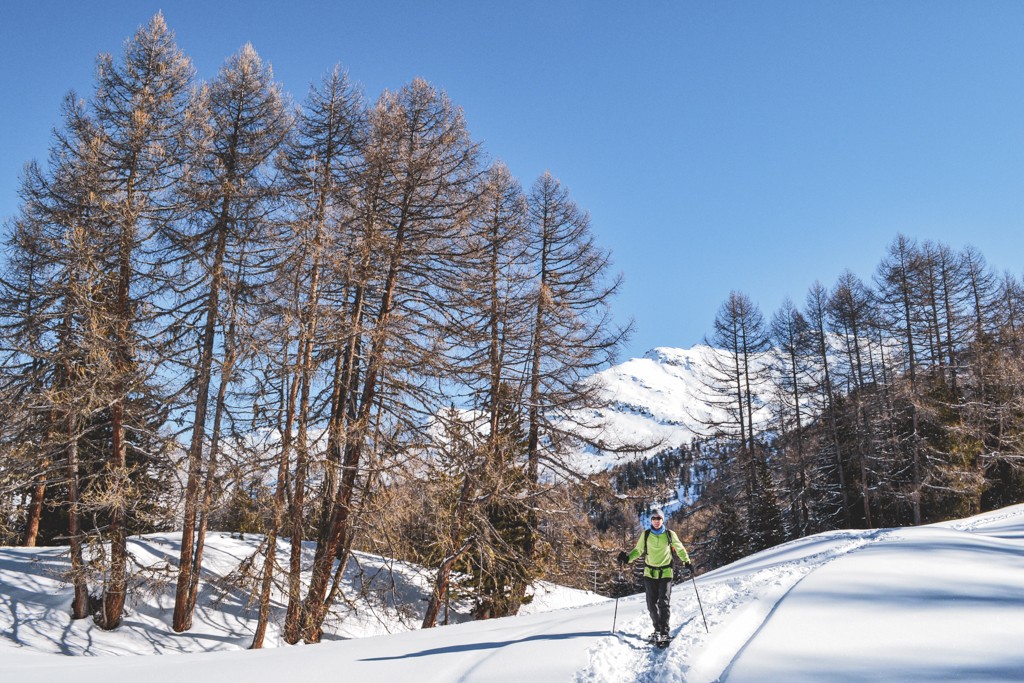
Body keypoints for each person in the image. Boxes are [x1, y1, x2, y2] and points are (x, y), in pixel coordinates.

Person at [617, 508, 691, 645]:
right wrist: (627, 559)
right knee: (651, 605)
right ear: (651, 520)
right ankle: (657, 630)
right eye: (654, 519)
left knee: (663, 603)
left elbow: (680, 548)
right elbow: (638, 550)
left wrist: (687, 561)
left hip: (666, 572)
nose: (656, 521)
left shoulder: (669, 534)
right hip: (649, 573)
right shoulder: (646, 535)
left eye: (659, 518)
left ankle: (664, 632)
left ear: (663, 520)